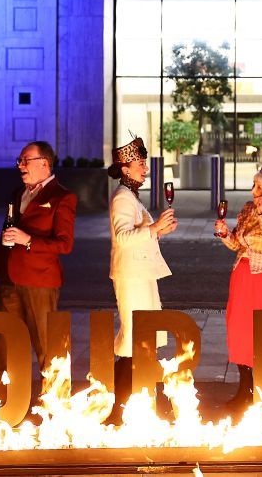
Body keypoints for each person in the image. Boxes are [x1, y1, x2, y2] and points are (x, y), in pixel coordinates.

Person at [0, 141, 77, 396]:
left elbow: (65, 245)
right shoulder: (18, 194)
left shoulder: (62, 197)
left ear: (44, 163)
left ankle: (55, 403)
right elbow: (5, 235)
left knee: (46, 347)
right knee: (4, 344)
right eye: (20, 160)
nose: (20, 165)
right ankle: (1, 401)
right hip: (9, 280)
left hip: (41, 282)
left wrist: (28, 240)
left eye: (26, 160)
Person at [106, 136, 178, 424]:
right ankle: (120, 407)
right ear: (125, 168)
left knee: (144, 338)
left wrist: (158, 230)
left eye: (144, 163)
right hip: (132, 278)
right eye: (139, 164)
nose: (144, 168)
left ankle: (147, 402)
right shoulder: (122, 197)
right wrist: (155, 228)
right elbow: (123, 238)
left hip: (141, 276)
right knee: (134, 339)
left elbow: (139, 235)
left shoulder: (130, 195)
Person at [213, 161, 262, 415]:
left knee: (259, 334)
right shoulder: (248, 208)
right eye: (253, 185)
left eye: (258, 186)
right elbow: (239, 243)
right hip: (242, 274)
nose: (252, 191)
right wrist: (225, 234)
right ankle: (244, 388)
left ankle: (261, 390)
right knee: (238, 331)